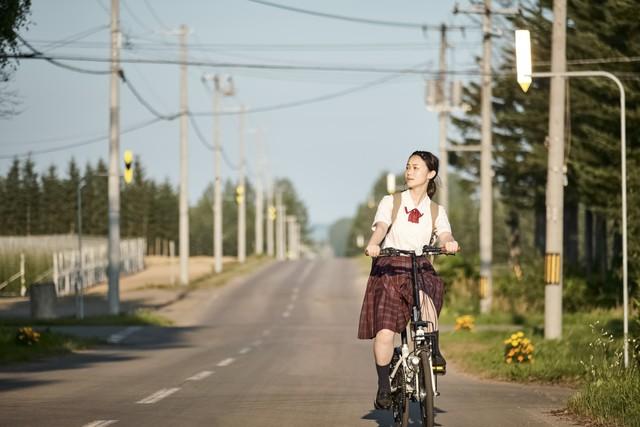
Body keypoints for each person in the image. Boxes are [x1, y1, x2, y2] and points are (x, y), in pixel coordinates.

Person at [357, 150, 459, 410]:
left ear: (431, 174)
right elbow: (381, 228)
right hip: (390, 267)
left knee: (428, 298)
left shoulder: (436, 210)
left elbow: (445, 234)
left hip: (419, 265)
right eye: (408, 167)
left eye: (416, 167)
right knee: (385, 332)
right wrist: (373, 245)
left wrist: (449, 243)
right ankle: (383, 386)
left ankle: (433, 350)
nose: (409, 171)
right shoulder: (391, 202)